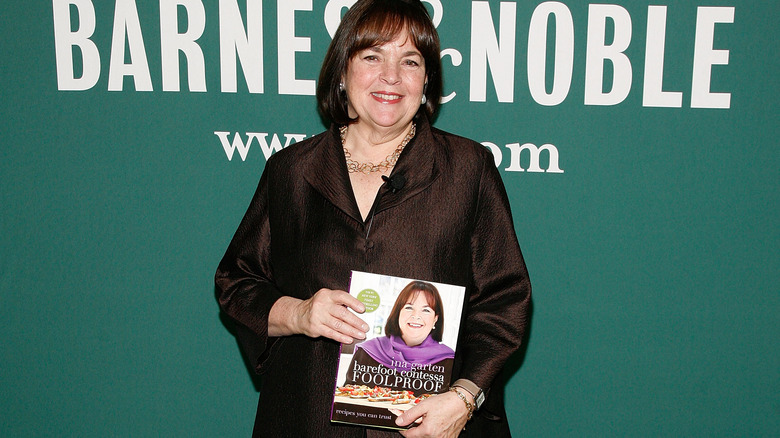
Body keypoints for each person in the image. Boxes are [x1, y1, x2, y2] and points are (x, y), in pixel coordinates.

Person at [215, 0, 531, 437]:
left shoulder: (467, 169)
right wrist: (298, 313)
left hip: (427, 429)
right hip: (307, 420)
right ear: (342, 71)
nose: (391, 77)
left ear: (427, 81)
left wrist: (464, 397)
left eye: (410, 61)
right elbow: (237, 282)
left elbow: (504, 300)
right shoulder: (290, 171)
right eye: (372, 57)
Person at [345, 281, 455, 384]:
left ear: (435, 318)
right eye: (409, 307)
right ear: (398, 313)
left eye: (426, 310)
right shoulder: (367, 352)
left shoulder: (448, 361)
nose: (416, 316)